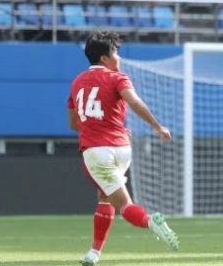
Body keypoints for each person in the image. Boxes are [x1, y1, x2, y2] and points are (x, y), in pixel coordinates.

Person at [68, 31, 179, 266]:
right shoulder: (118, 78)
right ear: (105, 58)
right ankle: (94, 253)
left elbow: (73, 124)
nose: (118, 57)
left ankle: (151, 222)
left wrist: (92, 126)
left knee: (124, 206)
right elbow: (135, 102)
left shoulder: (77, 82)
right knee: (105, 198)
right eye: (115, 52)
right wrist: (157, 126)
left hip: (97, 152)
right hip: (122, 149)